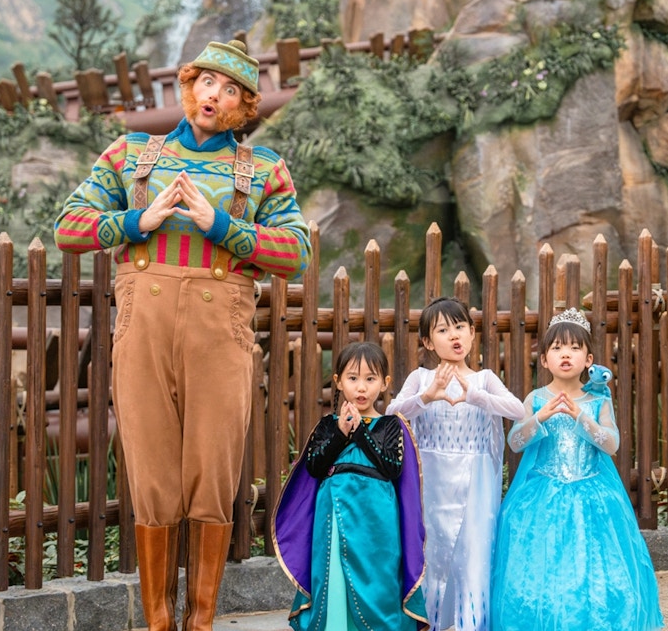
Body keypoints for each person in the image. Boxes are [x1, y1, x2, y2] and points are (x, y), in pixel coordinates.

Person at [54, 39, 311, 631]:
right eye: (205, 84)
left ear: (244, 107)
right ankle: (158, 622)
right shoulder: (130, 155)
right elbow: (69, 226)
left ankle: (200, 619)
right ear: (188, 87)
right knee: (151, 473)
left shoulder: (264, 169)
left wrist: (221, 225)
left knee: (214, 471)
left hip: (219, 334)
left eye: (229, 91)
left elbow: (294, 252)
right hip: (141, 331)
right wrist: (133, 222)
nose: (213, 97)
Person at [490, 308, 664, 631]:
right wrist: (540, 418)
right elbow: (514, 441)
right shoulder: (536, 398)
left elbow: (611, 443)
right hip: (541, 494)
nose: (565, 354)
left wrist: (582, 418)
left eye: (573, 348)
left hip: (591, 496)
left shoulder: (598, 400)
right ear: (544, 360)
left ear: (588, 359)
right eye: (556, 348)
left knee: (592, 565)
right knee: (545, 564)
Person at [385, 296, 526, 631]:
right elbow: (392, 413)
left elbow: (517, 409)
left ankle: (470, 623)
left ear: (473, 332)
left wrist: (476, 396)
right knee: (432, 551)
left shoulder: (484, 378)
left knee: (473, 552)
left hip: (475, 482)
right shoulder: (421, 378)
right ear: (427, 342)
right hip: (430, 480)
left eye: (460, 326)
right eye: (443, 330)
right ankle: (429, 620)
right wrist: (427, 396)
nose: (454, 336)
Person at [272, 341, 429, 631]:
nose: (361, 387)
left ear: (384, 383)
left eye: (370, 379)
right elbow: (315, 466)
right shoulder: (328, 425)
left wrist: (360, 433)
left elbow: (391, 467)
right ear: (338, 382)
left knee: (377, 575)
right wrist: (342, 433)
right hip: (333, 510)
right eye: (353, 378)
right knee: (334, 573)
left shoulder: (391, 425)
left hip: (377, 517)